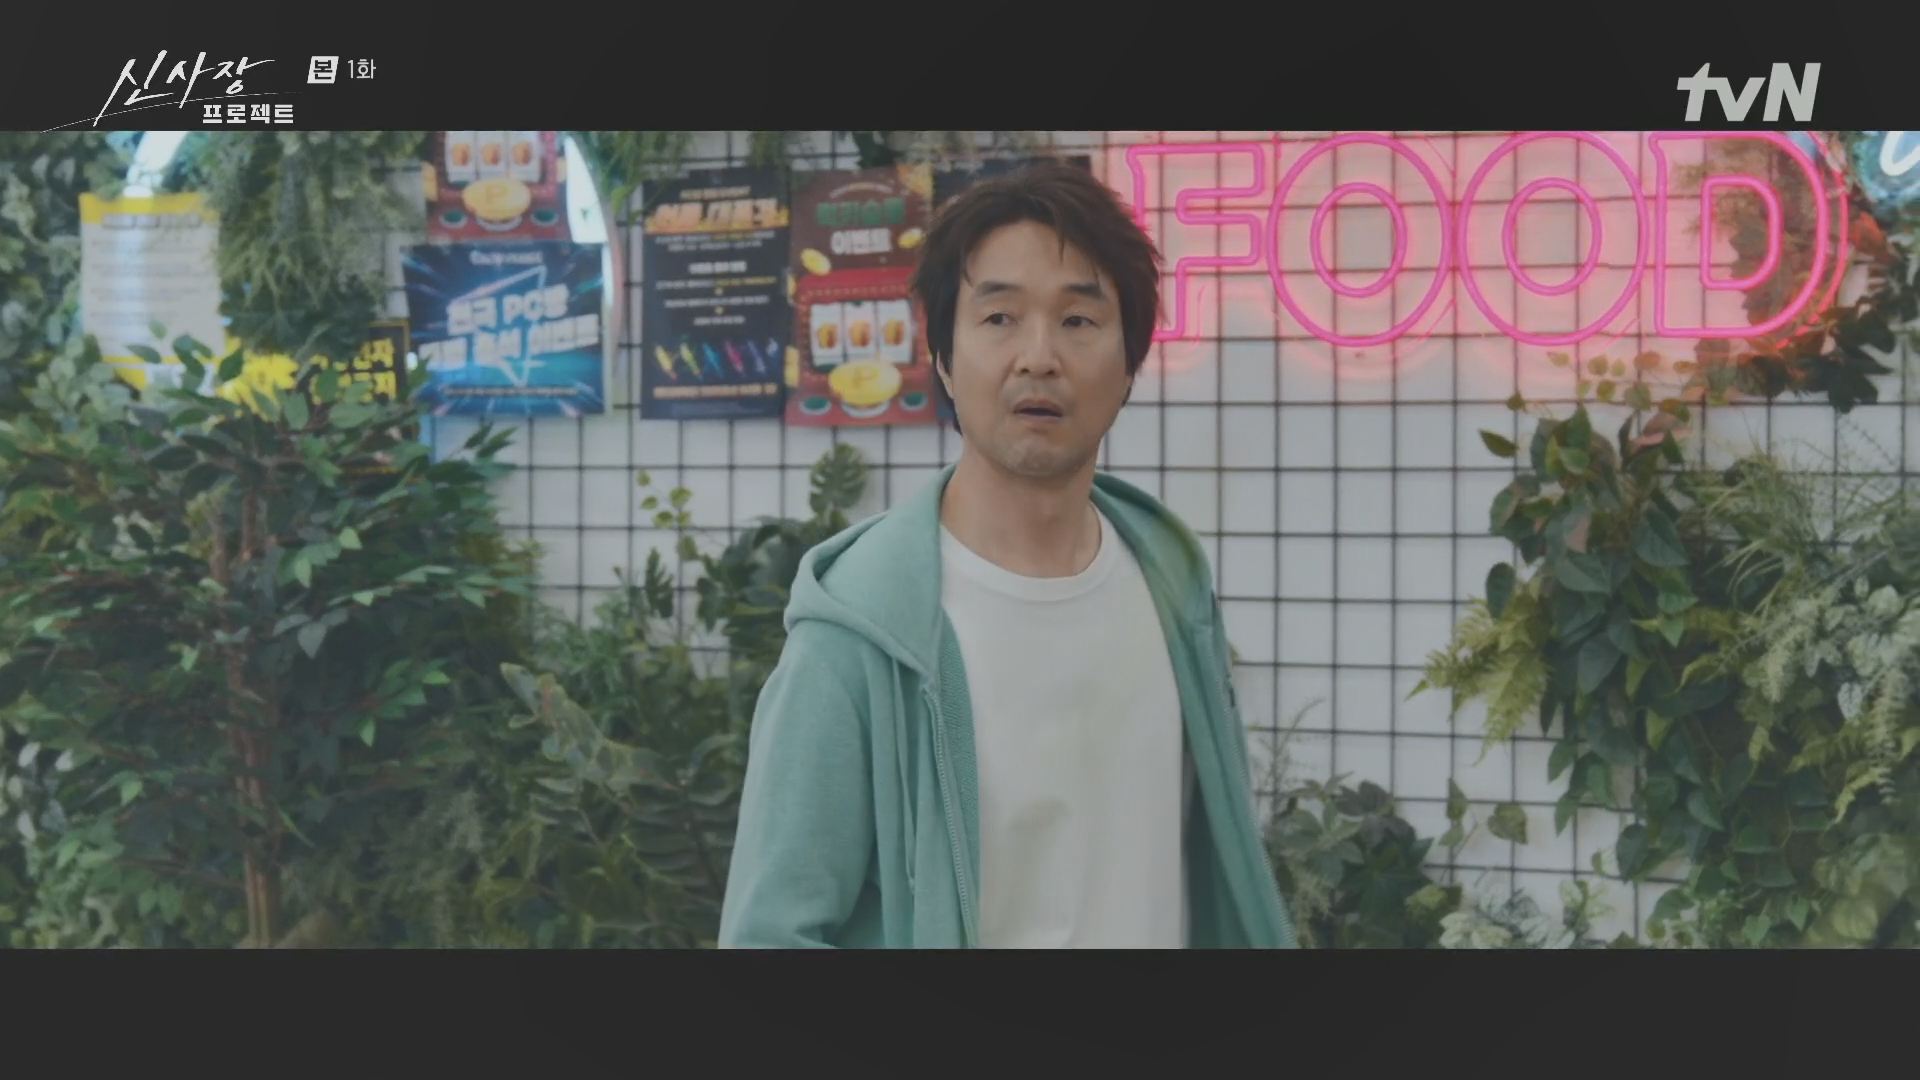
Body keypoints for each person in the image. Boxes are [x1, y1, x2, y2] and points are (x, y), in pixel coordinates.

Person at [718, 160, 1295, 949]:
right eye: (999, 318)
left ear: (1130, 363)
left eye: (1079, 320)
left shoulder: (1171, 587)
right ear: (943, 356)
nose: (1039, 356)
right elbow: (770, 933)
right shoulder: (860, 633)